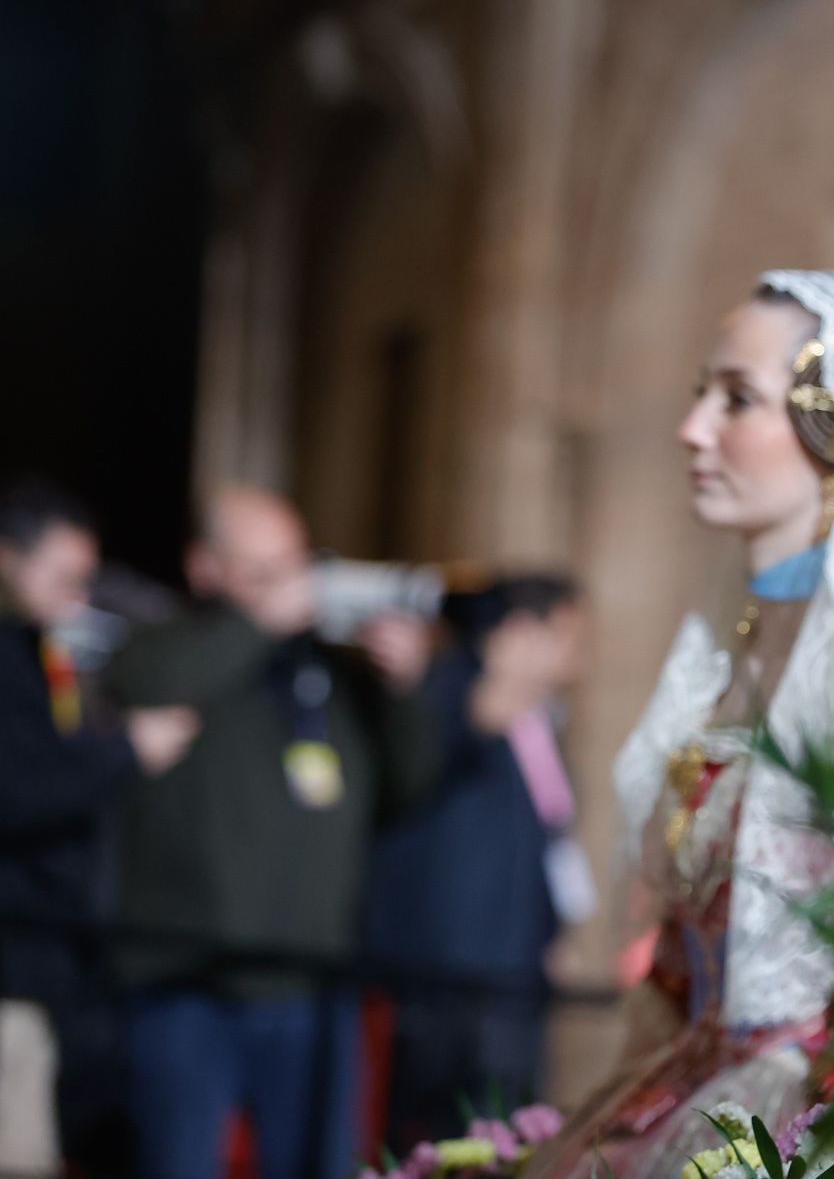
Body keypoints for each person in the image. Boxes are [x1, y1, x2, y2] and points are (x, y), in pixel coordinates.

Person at [529, 246, 834, 1176]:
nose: (691, 429)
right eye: (700, 395)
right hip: (684, 1083)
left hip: (814, 1116)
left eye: (736, 399)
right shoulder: (727, 643)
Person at [99, 486, 437, 1179]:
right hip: (187, 983)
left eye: (296, 567)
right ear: (205, 567)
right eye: (263, 571)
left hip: (309, 983)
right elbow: (148, 683)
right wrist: (261, 622)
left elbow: (405, 785)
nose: (289, 588)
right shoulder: (161, 647)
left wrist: (404, 687)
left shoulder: (325, 673)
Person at [0, 483, 198, 1178]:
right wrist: (126, 751)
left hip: (45, 964)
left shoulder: (39, 649)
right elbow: (18, 788)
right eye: (64, 577)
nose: (79, 598)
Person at [365, 574, 589, 1151]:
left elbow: (548, 840)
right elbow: (421, 763)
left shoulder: (540, 722)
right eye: (567, 636)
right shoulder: (450, 691)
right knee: (435, 1139)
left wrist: (552, 931)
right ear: (519, 633)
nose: (579, 656)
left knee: (506, 1134)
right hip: (449, 976)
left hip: (513, 972)